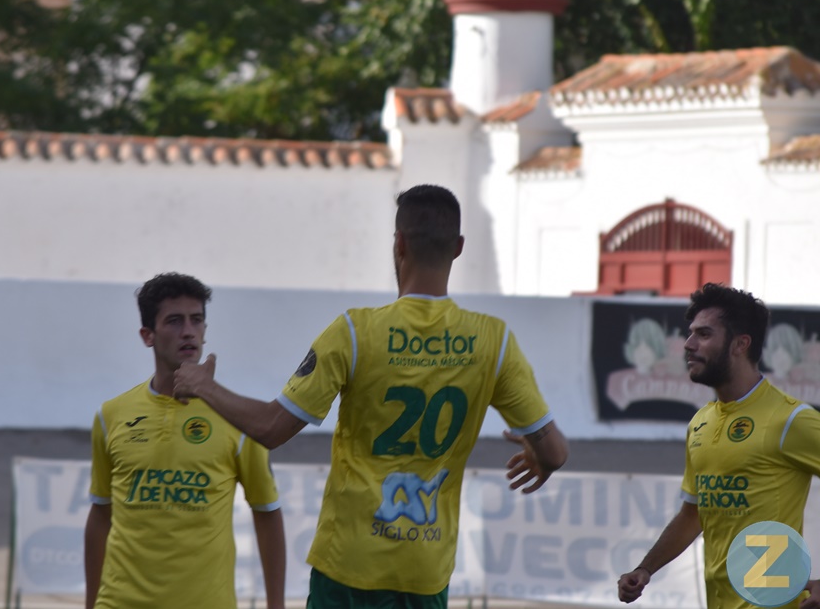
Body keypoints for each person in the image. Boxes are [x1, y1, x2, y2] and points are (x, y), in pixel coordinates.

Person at [173, 184, 568, 608]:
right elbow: (555, 452)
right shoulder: (495, 341)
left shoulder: (355, 332)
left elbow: (271, 429)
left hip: (348, 565)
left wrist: (203, 385)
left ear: (398, 243)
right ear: (457, 247)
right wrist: (538, 456)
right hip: (425, 571)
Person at [83, 273, 285, 609]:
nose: (189, 331)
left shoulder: (238, 419)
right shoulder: (111, 415)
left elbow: (267, 513)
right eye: (174, 321)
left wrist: (275, 606)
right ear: (148, 335)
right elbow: (100, 515)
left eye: (197, 320)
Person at [617, 283, 820, 609]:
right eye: (690, 333)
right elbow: (692, 513)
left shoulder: (790, 419)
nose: (688, 344)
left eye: (704, 334)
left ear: (740, 344)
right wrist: (646, 568)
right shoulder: (701, 422)